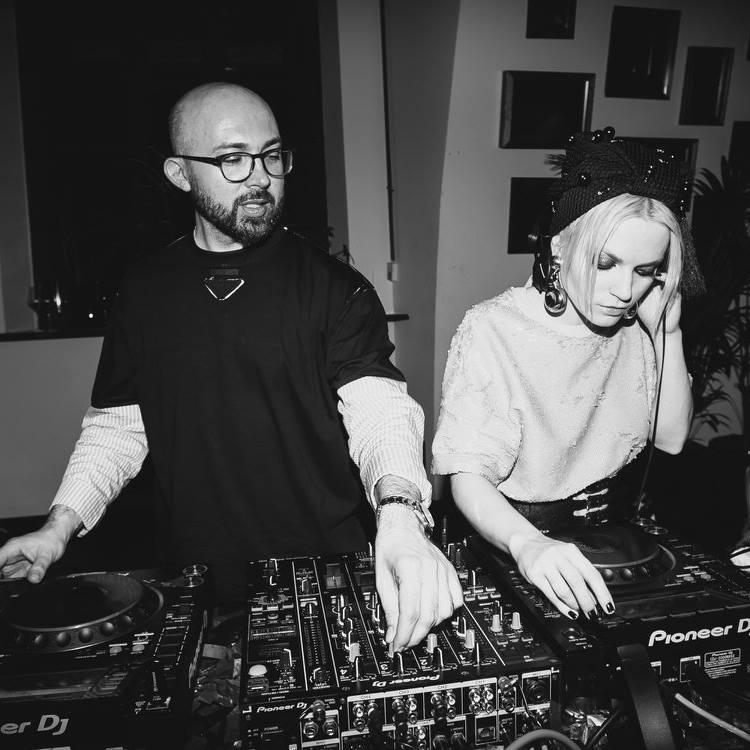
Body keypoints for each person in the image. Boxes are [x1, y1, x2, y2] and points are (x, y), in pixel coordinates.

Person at [0, 82, 462, 650]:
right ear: (180, 174)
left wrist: (400, 514)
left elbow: (381, 410)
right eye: (232, 159)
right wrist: (58, 526)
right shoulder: (143, 291)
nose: (261, 176)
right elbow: (119, 426)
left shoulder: (336, 288)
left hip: (323, 577)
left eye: (272, 155)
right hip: (193, 580)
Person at [432, 127, 704, 621]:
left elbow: (670, 439)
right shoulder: (494, 329)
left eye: (645, 270)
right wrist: (527, 543)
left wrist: (668, 333)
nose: (625, 290)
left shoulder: (639, 327)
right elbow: (466, 476)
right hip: (510, 544)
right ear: (559, 246)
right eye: (606, 263)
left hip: (612, 550)